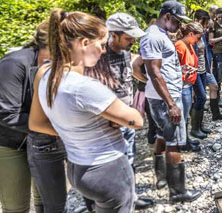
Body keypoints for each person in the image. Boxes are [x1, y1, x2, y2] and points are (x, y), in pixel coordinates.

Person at [28, 9, 144, 211]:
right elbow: (136, 120)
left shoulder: (45, 74)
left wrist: (73, 132)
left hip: (77, 167)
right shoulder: (85, 87)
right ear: (84, 43)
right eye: (100, 44)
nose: (103, 50)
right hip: (107, 168)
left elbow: (36, 123)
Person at [84, 12, 156, 209]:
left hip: (126, 120)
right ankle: (95, 204)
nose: (133, 40)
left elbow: (129, 76)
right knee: (103, 168)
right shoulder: (96, 57)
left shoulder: (124, 52)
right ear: (113, 35)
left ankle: (130, 198)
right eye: (128, 37)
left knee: (129, 161)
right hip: (104, 126)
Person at [0, 21, 49, 213]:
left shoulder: (64, 65)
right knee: (17, 208)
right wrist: (57, 129)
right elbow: (8, 115)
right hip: (5, 142)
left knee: (48, 201)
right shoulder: (13, 63)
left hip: (39, 139)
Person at [140, 0, 202, 203]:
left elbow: (161, 68)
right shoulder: (153, 36)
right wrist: (171, 104)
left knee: (162, 135)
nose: (180, 26)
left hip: (163, 96)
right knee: (174, 143)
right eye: (177, 21)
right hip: (165, 99)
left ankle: (162, 178)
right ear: (167, 16)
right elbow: (154, 71)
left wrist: (180, 71)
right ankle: (178, 192)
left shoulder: (162, 35)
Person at [192, 10, 222, 139]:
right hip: (196, 71)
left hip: (205, 68)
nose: (207, 27)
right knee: (199, 98)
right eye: (205, 24)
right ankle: (196, 127)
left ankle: (215, 114)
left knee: (214, 87)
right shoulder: (191, 33)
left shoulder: (202, 33)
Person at [174, 22, 204, 151]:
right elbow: (173, 66)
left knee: (186, 115)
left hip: (189, 84)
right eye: (198, 37)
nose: (199, 41)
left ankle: (186, 139)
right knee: (184, 116)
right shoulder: (180, 46)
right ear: (191, 34)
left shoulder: (189, 45)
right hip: (183, 85)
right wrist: (184, 70)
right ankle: (183, 142)